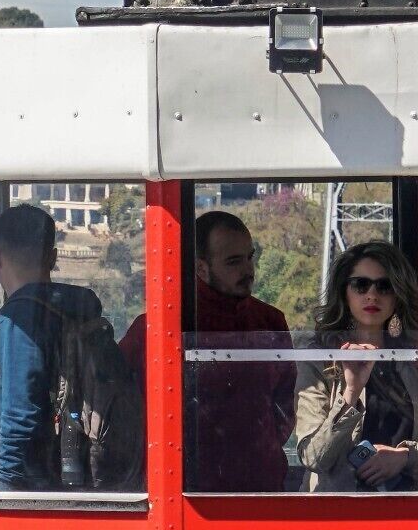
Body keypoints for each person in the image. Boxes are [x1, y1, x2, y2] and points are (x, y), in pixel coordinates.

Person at [116, 208, 294, 492]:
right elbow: (124, 404)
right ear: (201, 268)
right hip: (187, 487)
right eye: (233, 262)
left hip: (260, 484)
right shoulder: (158, 327)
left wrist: (263, 443)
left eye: (250, 257)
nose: (248, 270)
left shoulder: (270, 321)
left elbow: (286, 400)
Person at [0, 199, 134, 490]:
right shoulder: (77, 311)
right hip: (79, 475)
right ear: (53, 257)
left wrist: (2, 489)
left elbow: (19, 420)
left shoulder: (16, 321)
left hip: (34, 484)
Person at [289, 241, 418, 491]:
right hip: (340, 511)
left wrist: (405, 457)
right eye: (361, 285)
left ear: (398, 294)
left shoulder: (416, 359)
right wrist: (350, 393)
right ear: (344, 292)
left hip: (409, 506)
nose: (372, 294)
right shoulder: (320, 360)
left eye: (385, 286)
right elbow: (313, 457)